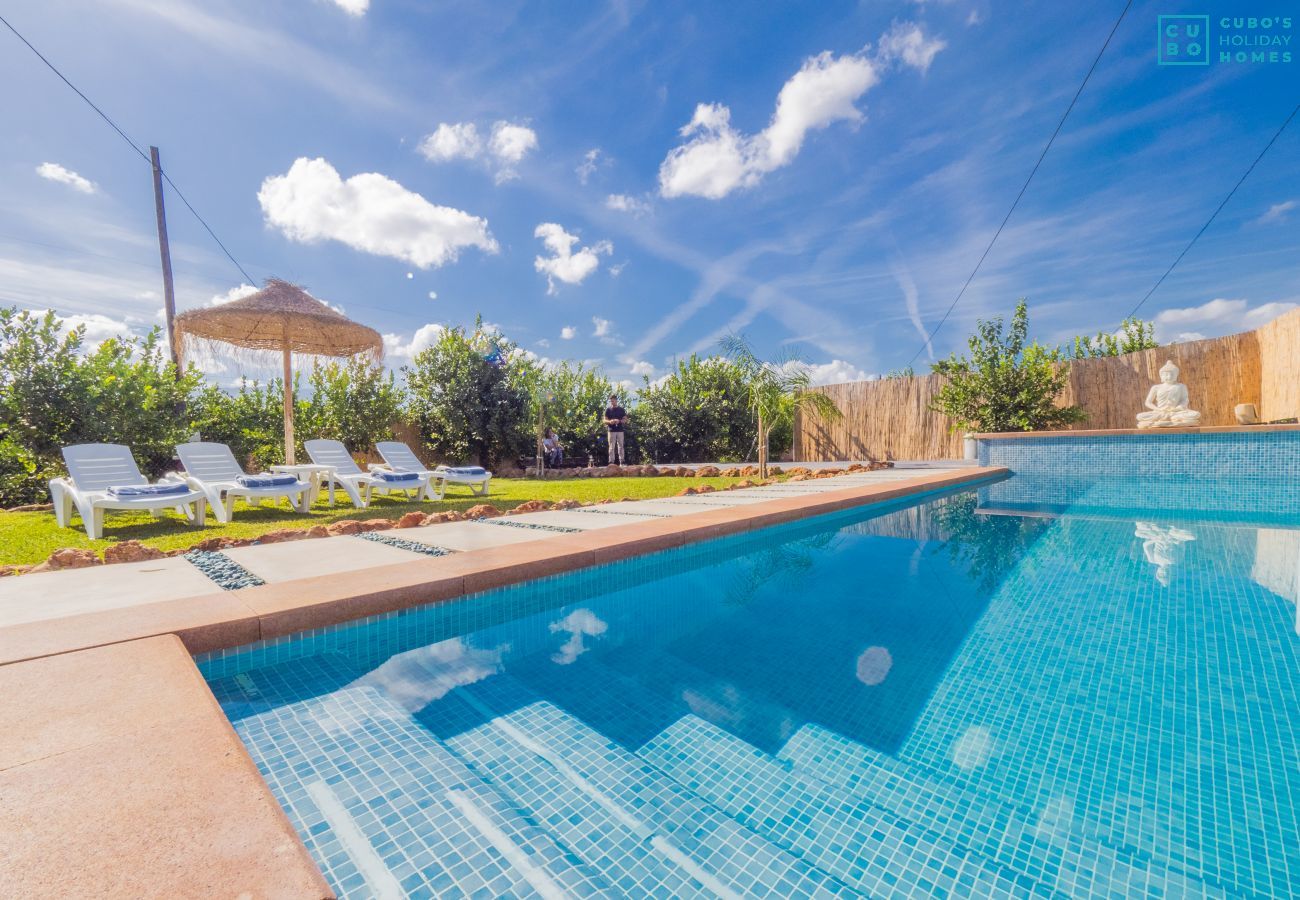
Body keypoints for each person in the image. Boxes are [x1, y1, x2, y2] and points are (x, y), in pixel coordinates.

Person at [603, 394, 628, 465]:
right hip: (611, 430)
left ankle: (622, 461)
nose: (612, 402)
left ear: (616, 400)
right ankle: (611, 462)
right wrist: (610, 422)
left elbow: (625, 419)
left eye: (613, 401)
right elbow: (604, 420)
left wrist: (619, 421)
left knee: (621, 446)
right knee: (611, 447)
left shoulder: (621, 409)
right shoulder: (608, 410)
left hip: (620, 430)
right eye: (611, 401)